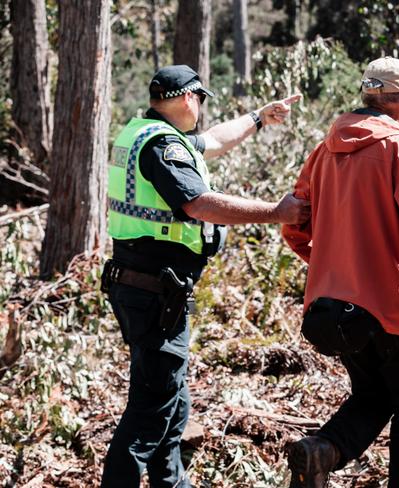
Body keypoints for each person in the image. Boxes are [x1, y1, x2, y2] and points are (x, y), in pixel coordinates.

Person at [100, 64, 309, 488]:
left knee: (172, 405)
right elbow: (198, 204)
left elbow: (212, 142)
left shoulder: (143, 131)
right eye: (199, 99)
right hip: (155, 293)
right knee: (150, 411)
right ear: (188, 98)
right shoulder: (163, 148)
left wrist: (258, 118)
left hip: (144, 287)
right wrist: (277, 212)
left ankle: (172, 484)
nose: (200, 108)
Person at [281, 57, 399, 488]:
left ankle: (321, 451)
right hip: (394, 310)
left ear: (367, 96)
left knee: (373, 395)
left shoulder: (324, 151)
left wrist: (331, 267)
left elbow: (294, 224)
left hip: (332, 308)